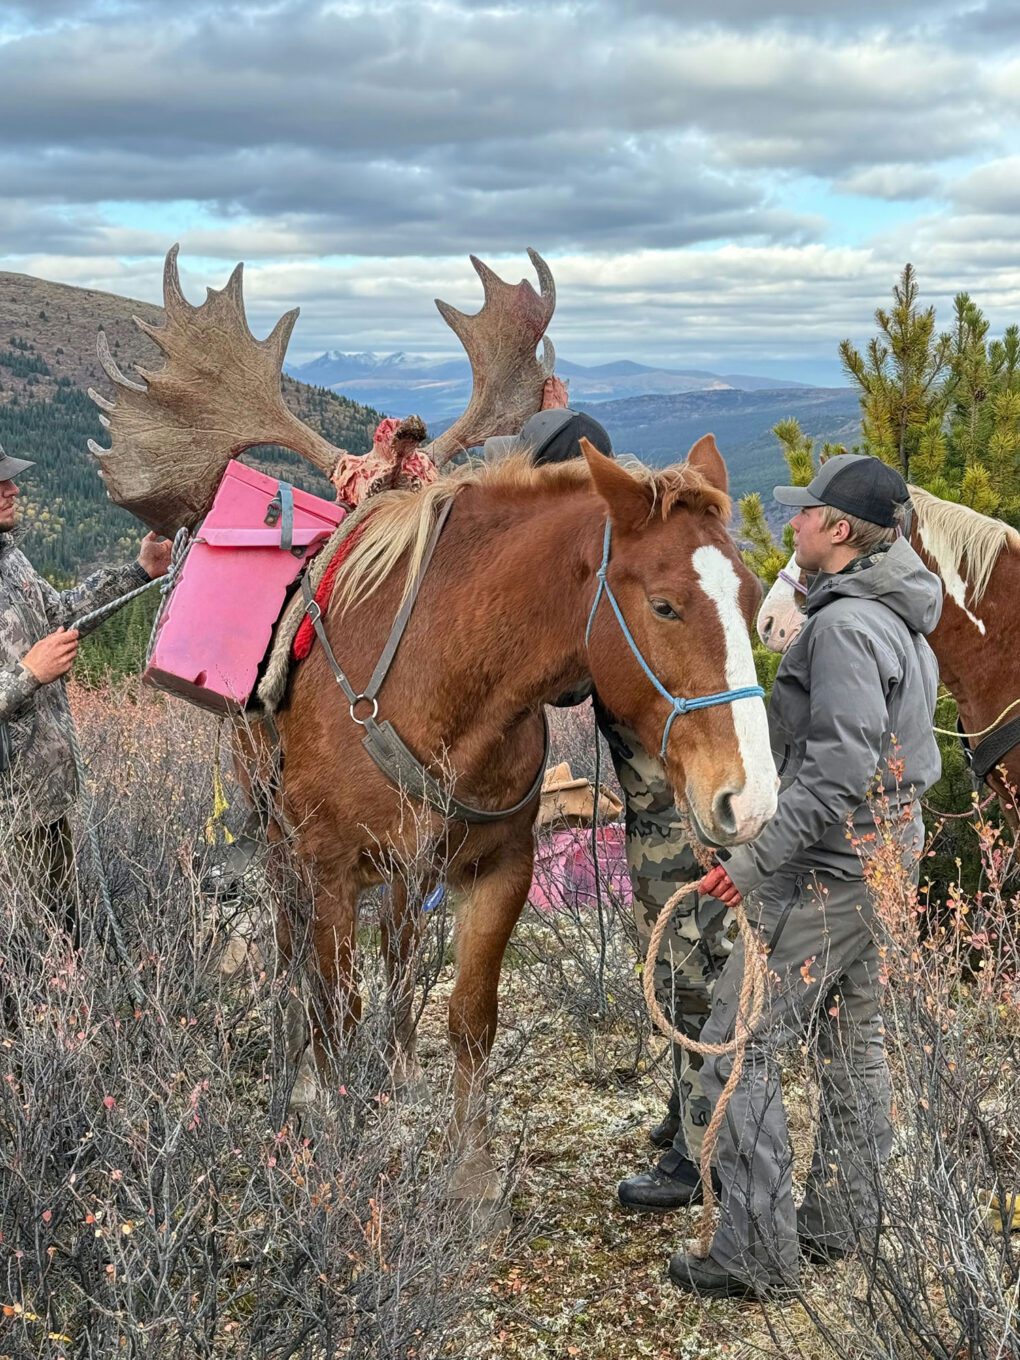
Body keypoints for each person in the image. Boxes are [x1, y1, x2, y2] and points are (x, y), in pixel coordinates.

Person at [667, 454, 942, 1300]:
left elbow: (835, 771)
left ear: (840, 531)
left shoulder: (847, 629)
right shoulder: (893, 614)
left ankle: (755, 1253)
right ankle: (841, 1221)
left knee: (737, 1053)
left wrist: (750, 864)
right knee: (853, 1047)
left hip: (836, 871)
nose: (793, 525)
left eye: (806, 514)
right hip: (883, 858)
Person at [486, 404, 731, 1206]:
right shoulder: (618, 565)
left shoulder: (645, 563)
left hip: (682, 820)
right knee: (668, 966)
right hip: (654, 818)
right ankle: (684, 1107)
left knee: (692, 970)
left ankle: (702, 1153)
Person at [0, 440, 172, 922]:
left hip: (43, 801)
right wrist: (27, 674)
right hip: (8, 818)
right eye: (0, 483)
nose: (13, 489)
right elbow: (32, 665)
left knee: (59, 945)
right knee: (23, 958)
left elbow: (62, 615)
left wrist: (139, 572)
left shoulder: (10, 560)